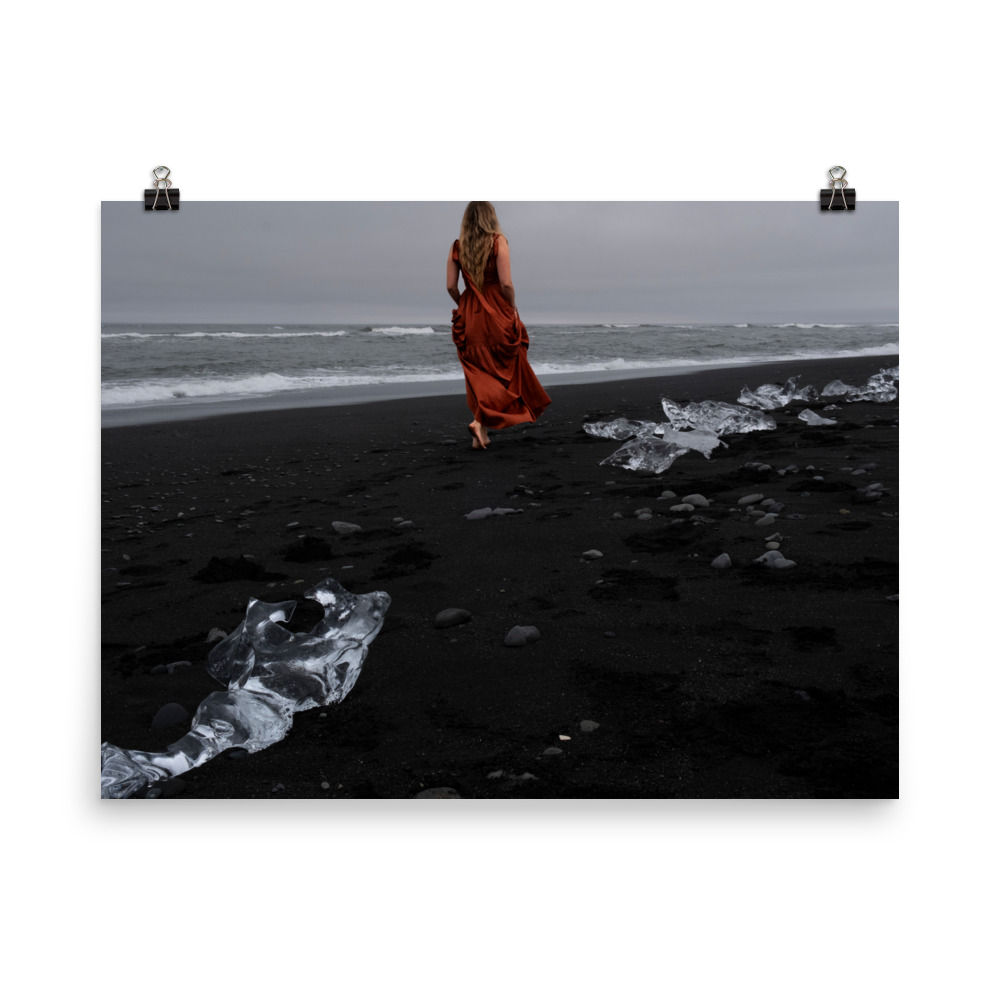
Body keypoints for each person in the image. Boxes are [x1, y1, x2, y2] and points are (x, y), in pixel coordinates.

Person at [447, 202, 551, 449]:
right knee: (507, 365)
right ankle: (481, 423)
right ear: (490, 217)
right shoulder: (498, 241)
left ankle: (480, 426)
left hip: (469, 312)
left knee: (478, 370)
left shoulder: (457, 247)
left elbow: (451, 286)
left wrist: (464, 304)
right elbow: (506, 283)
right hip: (497, 308)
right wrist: (512, 308)